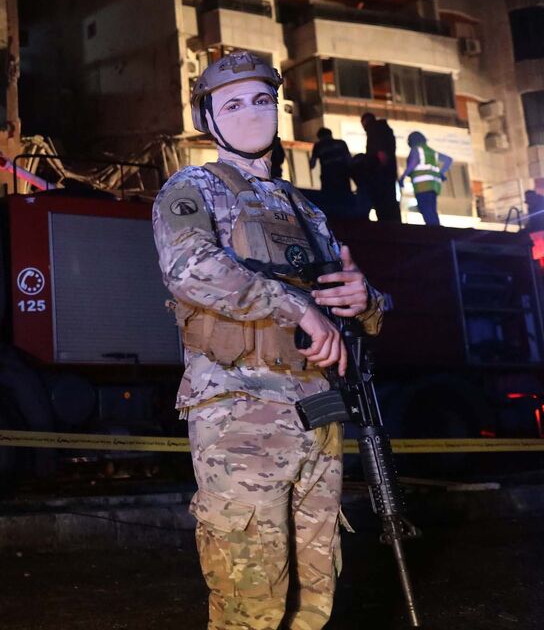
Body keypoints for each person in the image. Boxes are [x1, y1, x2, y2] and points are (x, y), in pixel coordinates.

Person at [153, 51, 385, 630]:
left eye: (263, 100)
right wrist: (297, 306)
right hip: (239, 414)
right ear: (208, 117)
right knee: (249, 592)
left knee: (316, 588)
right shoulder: (193, 188)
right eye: (233, 103)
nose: (252, 113)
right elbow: (191, 269)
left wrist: (367, 301)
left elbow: (343, 297)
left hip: (317, 410)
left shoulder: (303, 206)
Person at [400, 131, 453, 227]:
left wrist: (403, 177)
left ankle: (434, 230)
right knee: (431, 208)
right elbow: (448, 160)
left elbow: (413, 162)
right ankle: (437, 229)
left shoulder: (416, 149)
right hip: (434, 186)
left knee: (425, 208)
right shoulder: (432, 152)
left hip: (422, 185)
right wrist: (441, 173)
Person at [360, 113, 401, 222]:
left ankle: (386, 222)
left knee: (383, 199)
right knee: (390, 198)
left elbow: (380, 150)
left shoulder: (375, 129)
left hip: (380, 172)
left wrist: (379, 167)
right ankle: (393, 222)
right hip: (388, 171)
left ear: (365, 121)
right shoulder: (384, 129)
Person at [310, 127, 353, 199]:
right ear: (330, 134)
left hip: (328, 177)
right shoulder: (341, 143)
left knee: (330, 199)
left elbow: (312, 164)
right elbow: (349, 160)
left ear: (320, 137)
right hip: (343, 175)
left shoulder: (318, 146)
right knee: (345, 198)